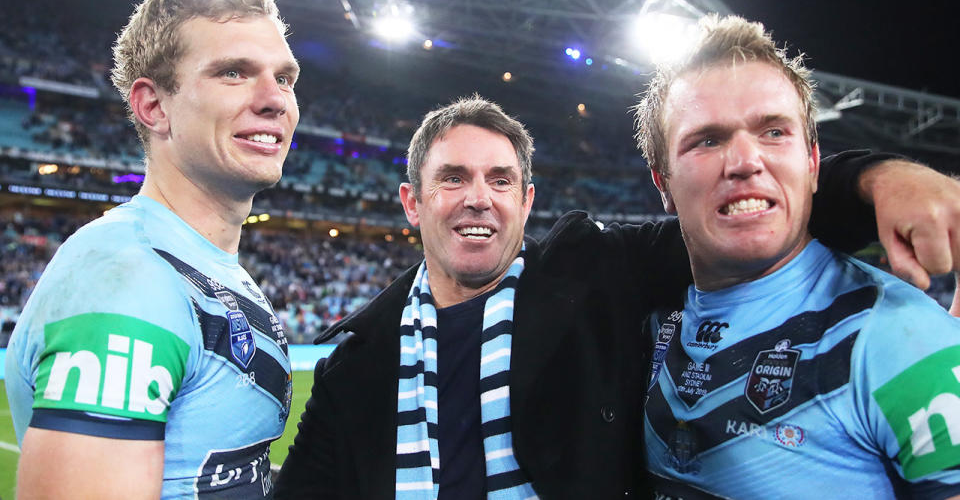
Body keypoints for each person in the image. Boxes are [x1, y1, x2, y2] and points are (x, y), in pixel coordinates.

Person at [275, 94, 960, 499]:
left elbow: (738, 212)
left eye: (500, 178)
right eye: (452, 178)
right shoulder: (353, 365)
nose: (477, 197)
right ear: (411, 203)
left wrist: (880, 177)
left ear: (527, 199)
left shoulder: (594, 277)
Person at [5, 0, 300, 499]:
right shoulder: (128, 279)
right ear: (153, 106)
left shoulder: (200, 265)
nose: (274, 99)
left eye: (284, 78)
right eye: (234, 72)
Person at [639, 15, 960, 498]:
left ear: (813, 164)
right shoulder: (643, 316)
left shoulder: (900, 339)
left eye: (773, 133)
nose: (746, 161)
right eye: (707, 140)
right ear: (663, 183)